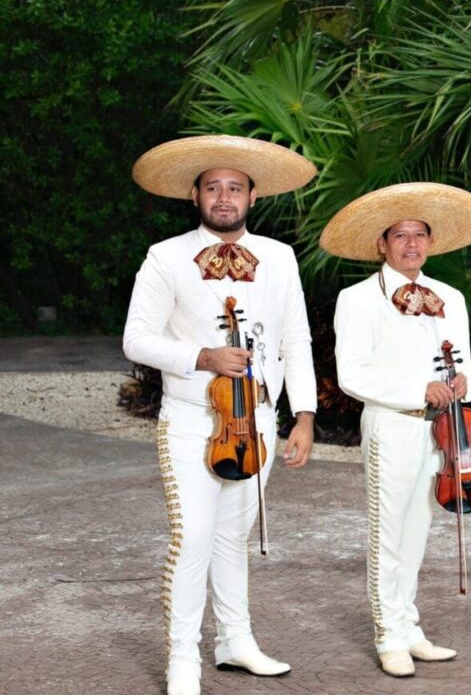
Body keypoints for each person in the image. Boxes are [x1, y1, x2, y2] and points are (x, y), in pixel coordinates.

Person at [122, 135, 318, 695]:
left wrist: (302, 415)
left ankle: (236, 641)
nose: (224, 197)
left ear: (252, 196)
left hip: (257, 420)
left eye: (235, 188)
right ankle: (183, 656)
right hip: (190, 419)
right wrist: (201, 357)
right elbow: (136, 339)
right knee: (194, 537)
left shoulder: (279, 258)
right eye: (214, 188)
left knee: (235, 536)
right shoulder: (166, 256)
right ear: (195, 195)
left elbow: (296, 340)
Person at [320, 182, 471, 678]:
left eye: (420, 235)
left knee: (418, 531)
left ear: (431, 243)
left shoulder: (450, 298)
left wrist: (463, 381)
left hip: (442, 432)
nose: (411, 244)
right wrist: (420, 389)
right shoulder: (357, 299)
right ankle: (387, 633)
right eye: (400, 236)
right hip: (392, 426)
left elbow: (470, 364)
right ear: (382, 244)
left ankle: (409, 625)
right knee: (388, 533)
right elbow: (353, 374)